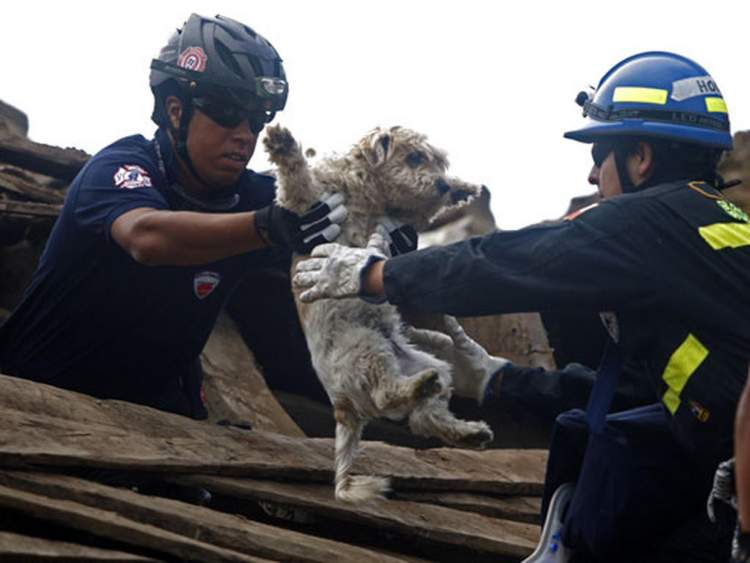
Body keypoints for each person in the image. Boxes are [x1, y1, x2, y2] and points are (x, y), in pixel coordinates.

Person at [293, 51, 750, 561]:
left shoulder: (647, 221)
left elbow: (511, 260)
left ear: (640, 158)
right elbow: (638, 392)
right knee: (607, 437)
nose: (595, 177)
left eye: (600, 157)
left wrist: (376, 274)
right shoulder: (714, 228)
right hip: (724, 456)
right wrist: (500, 379)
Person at [0, 14, 350, 420]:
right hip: (33, 407)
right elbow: (146, 237)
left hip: (155, 430)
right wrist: (265, 227)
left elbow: (340, 224)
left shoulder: (253, 195)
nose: (244, 133)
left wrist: (385, 241)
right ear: (174, 110)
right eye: (226, 110)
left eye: (257, 118)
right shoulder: (121, 166)